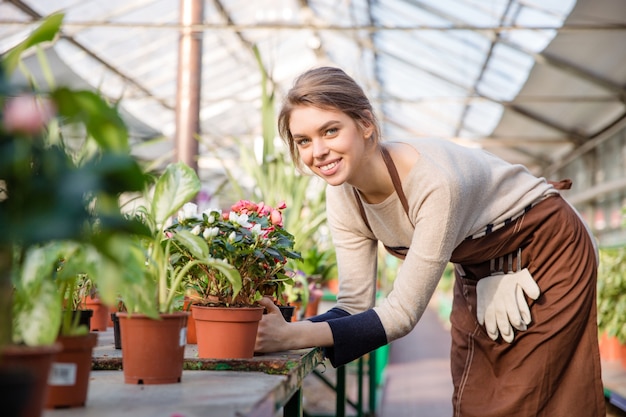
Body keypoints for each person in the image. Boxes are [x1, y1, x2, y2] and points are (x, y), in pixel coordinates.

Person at [254, 66, 605, 416]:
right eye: (303, 141)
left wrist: (292, 336)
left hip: (548, 247)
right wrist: (286, 330)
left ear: (365, 124)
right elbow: (353, 306)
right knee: (474, 394)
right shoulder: (344, 196)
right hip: (480, 263)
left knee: (527, 395)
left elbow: (403, 314)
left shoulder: (433, 181)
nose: (318, 152)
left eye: (330, 131)